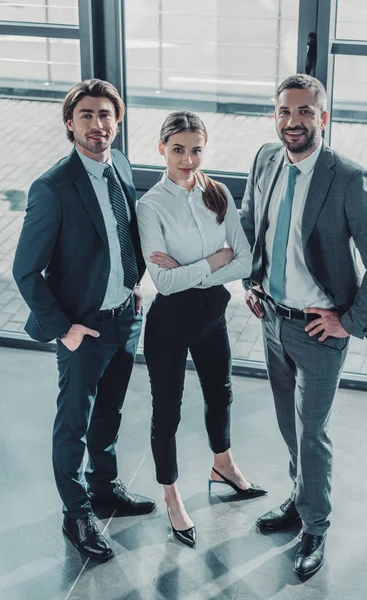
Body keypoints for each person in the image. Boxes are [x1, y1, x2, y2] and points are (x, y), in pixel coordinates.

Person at [240, 74, 367, 576]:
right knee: (290, 426)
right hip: (272, 319)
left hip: (317, 330)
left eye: (306, 112)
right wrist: (251, 281)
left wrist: (349, 322)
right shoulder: (266, 159)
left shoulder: (347, 179)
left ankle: (315, 526)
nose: (294, 121)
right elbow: (252, 224)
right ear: (276, 116)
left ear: (323, 118)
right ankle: (299, 498)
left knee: (312, 434)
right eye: (286, 111)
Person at [13, 79, 156, 563]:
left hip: (124, 316)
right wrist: (64, 329)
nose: (99, 125)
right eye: (88, 115)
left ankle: (104, 489)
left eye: (106, 115)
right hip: (83, 328)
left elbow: (123, 232)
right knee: (73, 423)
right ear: (69, 123)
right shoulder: (53, 188)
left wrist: (135, 283)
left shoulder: (119, 162)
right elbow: (25, 271)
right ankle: (76, 513)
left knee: (110, 413)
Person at [137, 111, 267, 548]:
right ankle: (172, 495)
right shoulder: (150, 205)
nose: (188, 159)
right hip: (169, 324)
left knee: (221, 394)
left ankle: (223, 465)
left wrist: (195, 269)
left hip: (213, 314)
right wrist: (216, 261)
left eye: (195, 149)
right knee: (168, 412)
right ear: (162, 149)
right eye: (178, 149)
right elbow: (165, 283)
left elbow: (245, 261)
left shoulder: (219, 194)